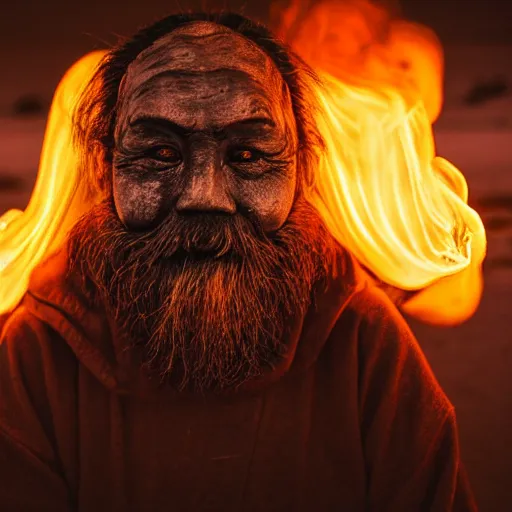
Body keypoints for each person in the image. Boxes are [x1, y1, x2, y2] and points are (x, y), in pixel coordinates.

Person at [0, 12, 477, 511]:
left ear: (302, 170)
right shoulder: (43, 350)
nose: (204, 197)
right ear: (104, 169)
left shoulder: (360, 338)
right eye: (161, 152)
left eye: (247, 155)